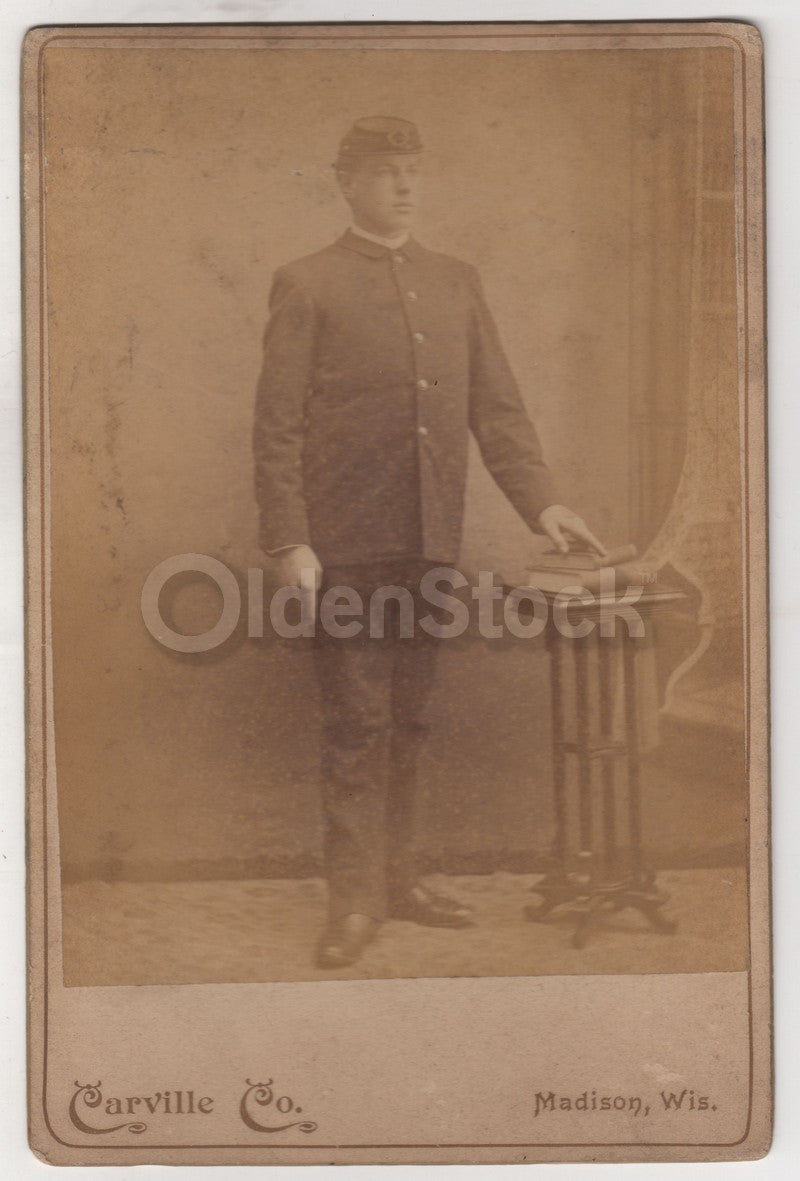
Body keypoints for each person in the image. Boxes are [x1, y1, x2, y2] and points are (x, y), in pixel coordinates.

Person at [253, 116, 605, 968]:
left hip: (427, 545)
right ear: (346, 182)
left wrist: (543, 506)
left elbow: (498, 409)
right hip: (342, 547)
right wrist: (291, 541)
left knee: (409, 721)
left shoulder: (456, 281)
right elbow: (276, 429)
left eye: (413, 171)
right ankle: (352, 902)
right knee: (355, 724)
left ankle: (399, 880)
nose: (404, 186)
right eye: (385, 173)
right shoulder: (308, 283)